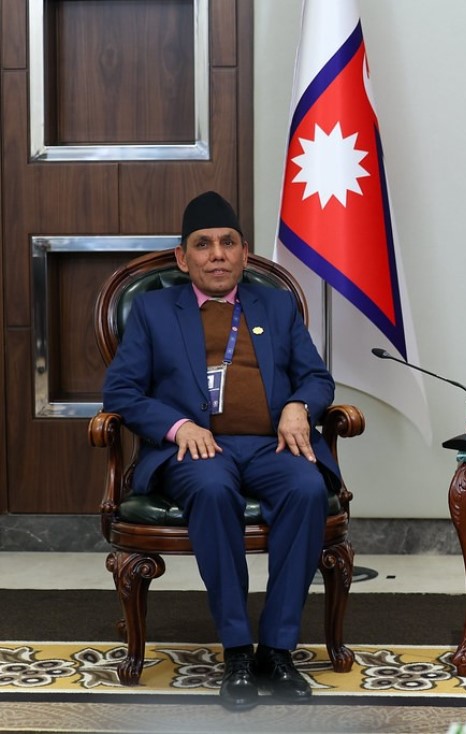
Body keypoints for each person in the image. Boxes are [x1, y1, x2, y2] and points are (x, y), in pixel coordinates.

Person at [103, 191, 340, 710]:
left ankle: (276, 650)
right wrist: (176, 426)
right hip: (199, 450)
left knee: (305, 488)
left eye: (228, 243)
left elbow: (317, 378)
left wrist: (299, 405)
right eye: (203, 244)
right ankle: (236, 652)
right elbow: (120, 391)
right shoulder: (153, 310)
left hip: (272, 445)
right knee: (212, 490)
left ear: (244, 253)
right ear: (182, 257)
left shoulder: (276, 305)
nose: (217, 254)